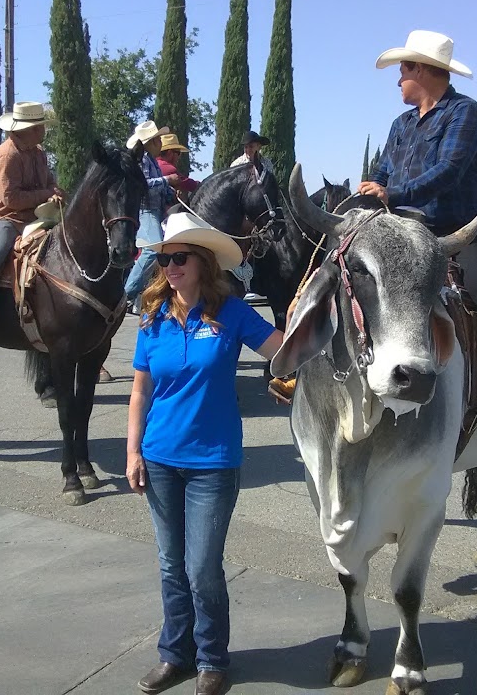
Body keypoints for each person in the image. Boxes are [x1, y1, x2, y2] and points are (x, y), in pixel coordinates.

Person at [127, 211, 283, 695]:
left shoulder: (231, 313)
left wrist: (311, 344)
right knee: (171, 565)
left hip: (213, 462)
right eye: (164, 260)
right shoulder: (152, 319)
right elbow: (139, 391)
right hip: (159, 457)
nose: (169, 267)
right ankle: (175, 654)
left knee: (201, 567)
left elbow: (282, 350)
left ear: (202, 263)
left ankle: (213, 658)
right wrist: (132, 452)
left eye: (178, 259)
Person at [356, 29, 477, 433]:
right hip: (400, 235)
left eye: (403, 70)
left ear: (423, 69)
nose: (398, 79)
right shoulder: (401, 123)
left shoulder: (465, 113)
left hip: (453, 235)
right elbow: (383, 170)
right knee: (340, 273)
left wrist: (393, 191)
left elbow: (450, 171)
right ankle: (310, 367)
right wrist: (371, 187)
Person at [0, 101, 62, 334]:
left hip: (36, 217)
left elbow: (48, 183)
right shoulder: (6, 155)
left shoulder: (39, 154)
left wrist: (55, 192)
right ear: (26, 129)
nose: (43, 131)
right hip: (5, 218)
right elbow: (11, 199)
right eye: (39, 127)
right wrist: (47, 193)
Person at [124, 121, 180, 312]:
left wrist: (170, 192)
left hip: (156, 210)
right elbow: (142, 184)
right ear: (151, 142)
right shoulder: (142, 160)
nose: (160, 143)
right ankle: (127, 293)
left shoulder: (152, 161)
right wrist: (167, 180)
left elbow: (156, 187)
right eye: (157, 139)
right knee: (154, 248)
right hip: (145, 210)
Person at [157, 133, 200, 199]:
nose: (179, 157)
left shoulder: (154, 163)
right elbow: (189, 184)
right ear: (169, 153)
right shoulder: (168, 168)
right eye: (178, 153)